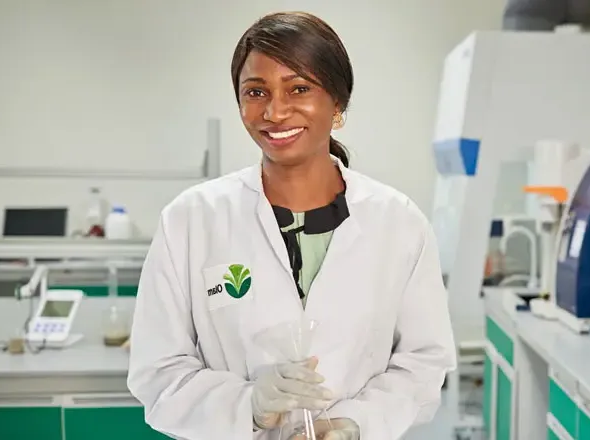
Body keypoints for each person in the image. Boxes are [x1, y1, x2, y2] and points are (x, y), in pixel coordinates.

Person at [127, 11, 457, 440]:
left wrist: (357, 425)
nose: (275, 111)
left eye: (299, 88)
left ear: (337, 103)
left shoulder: (399, 222)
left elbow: (423, 363)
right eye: (256, 91)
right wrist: (250, 406)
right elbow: (158, 374)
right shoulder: (191, 220)